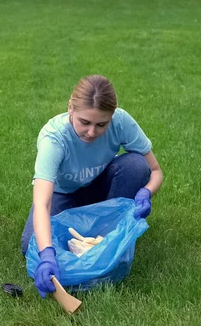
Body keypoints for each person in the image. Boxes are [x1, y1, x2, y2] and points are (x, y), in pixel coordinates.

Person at [20, 75, 163, 298]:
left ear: (112, 117)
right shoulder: (54, 138)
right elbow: (42, 202)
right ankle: (97, 238)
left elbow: (155, 171)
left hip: (99, 190)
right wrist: (47, 254)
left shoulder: (121, 122)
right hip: (62, 194)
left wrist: (146, 192)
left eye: (101, 124)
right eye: (84, 122)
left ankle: (108, 238)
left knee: (136, 164)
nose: (91, 132)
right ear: (70, 108)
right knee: (31, 243)